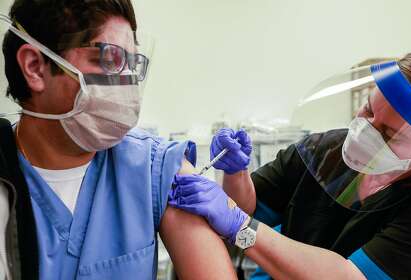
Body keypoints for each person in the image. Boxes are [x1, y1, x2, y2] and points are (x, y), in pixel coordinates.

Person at [0, 0, 237, 279]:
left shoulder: (155, 167)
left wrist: (245, 230)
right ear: (35, 67)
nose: (127, 82)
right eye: (108, 60)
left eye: (131, 63)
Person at [169, 52, 411, 279]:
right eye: (367, 110)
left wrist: (241, 227)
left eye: (388, 133)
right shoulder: (323, 151)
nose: (366, 130)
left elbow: (349, 277)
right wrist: (235, 173)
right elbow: (249, 208)